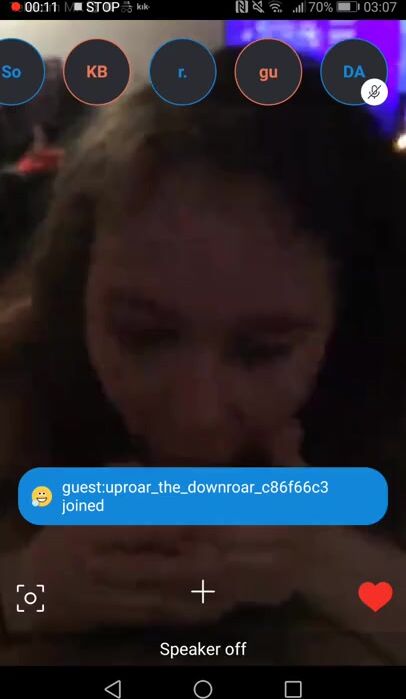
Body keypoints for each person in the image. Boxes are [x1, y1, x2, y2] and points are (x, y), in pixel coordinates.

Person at [0, 48, 405, 666]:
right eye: (142, 336)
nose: (197, 415)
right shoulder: (18, 375)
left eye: (262, 352)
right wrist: (23, 590)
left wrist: (321, 554)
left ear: (351, 321)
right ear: (76, 293)